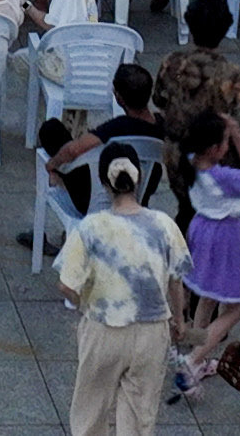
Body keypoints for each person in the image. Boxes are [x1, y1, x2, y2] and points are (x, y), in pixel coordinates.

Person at [57, 143, 188, 436]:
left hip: (104, 329)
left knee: (90, 412)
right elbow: (176, 280)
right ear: (139, 177)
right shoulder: (163, 224)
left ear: (105, 182)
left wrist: (85, 303)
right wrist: (179, 320)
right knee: (139, 419)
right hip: (152, 333)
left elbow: (67, 285)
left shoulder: (90, 227)